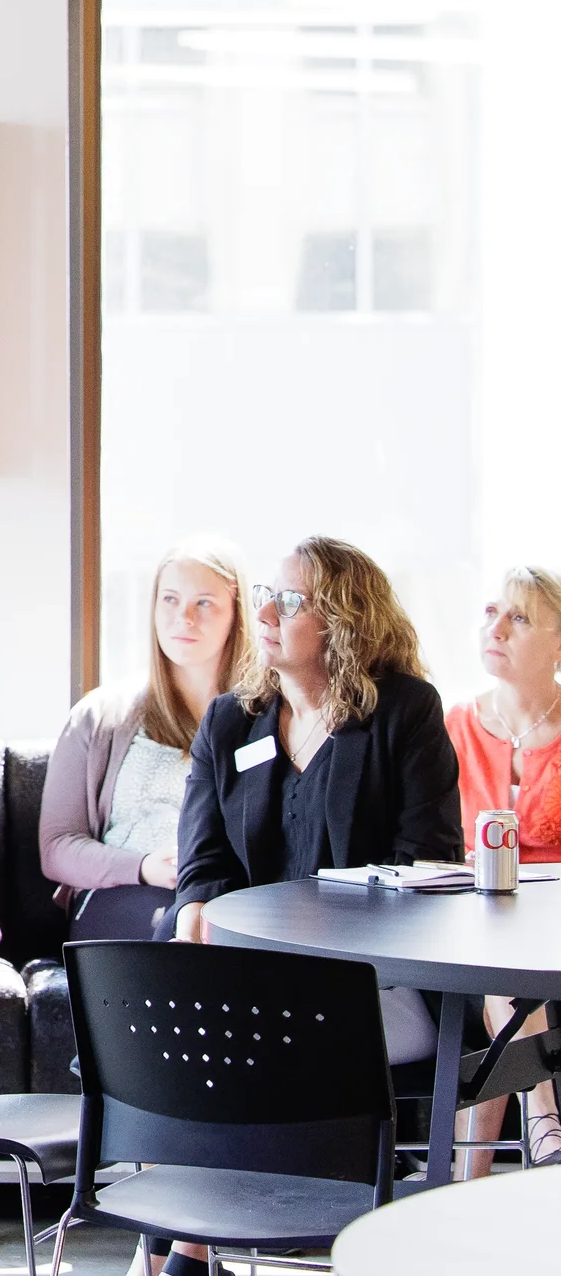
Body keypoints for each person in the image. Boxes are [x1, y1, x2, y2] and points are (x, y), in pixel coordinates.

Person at [166, 537, 461, 1274]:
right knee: (176, 980)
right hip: (249, 978)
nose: (264, 613)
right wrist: (204, 914)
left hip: (372, 982)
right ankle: (193, 1242)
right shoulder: (231, 720)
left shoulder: (403, 712)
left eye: (291, 601)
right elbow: (201, 864)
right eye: (267, 594)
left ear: (345, 621)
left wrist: (302, 929)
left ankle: (186, 1249)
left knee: (209, 1039)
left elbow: (427, 863)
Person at [40, 538, 252, 941]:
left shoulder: (264, 720)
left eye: (204, 603)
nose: (184, 618)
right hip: (123, 894)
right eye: (170, 599)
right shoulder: (101, 716)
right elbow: (57, 847)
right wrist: (142, 867)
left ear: (236, 615)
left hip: (226, 899)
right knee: (169, 932)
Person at [447, 568, 561, 1172]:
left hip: (554, 928)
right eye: (491, 613)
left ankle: (468, 1181)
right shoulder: (455, 725)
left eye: (519, 618)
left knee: (504, 965)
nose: (496, 629)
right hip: (467, 926)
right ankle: (542, 1117)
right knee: (495, 948)